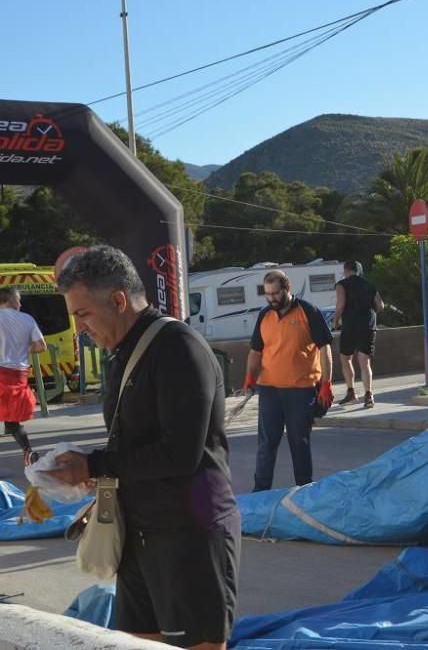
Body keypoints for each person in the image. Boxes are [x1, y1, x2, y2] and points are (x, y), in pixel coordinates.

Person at [51, 245, 240, 650]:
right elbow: (133, 442)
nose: (79, 327)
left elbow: (180, 453)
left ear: (118, 300)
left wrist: (97, 465)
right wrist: (95, 470)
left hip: (190, 532)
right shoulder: (120, 354)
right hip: (139, 533)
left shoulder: (178, 349)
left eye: (83, 313)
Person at [245, 269, 334, 492]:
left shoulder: (308, 311)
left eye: (275, 293)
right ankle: (260, 494)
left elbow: (325, 348)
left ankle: (304, 492)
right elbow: (255, 351)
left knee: (299, 443)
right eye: (267, 294)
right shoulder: (264, 315)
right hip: (269, 390)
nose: (271, 298)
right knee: (266, 445)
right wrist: (249, 377)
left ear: (287, 289)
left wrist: (326, 383)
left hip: (301, 390)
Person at [0, 286, 46, 466]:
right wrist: (24, 349)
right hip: (18, 375)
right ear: (11, 300)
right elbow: (41, 346)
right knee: (12, 421)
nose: (20, 303)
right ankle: (27, 451)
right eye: (18, 299)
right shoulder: (27, 319)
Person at [332, 260, 384, 409]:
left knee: (346, 358)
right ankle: (369, 396)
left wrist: (335, 321)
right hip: (368, 326)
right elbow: (381, 306)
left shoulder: (342, 285)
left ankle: (351, 393)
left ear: (346, 270)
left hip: (350, 326)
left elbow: (340, 304)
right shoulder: (369, 285)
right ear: (359, 270)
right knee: (364, 362)